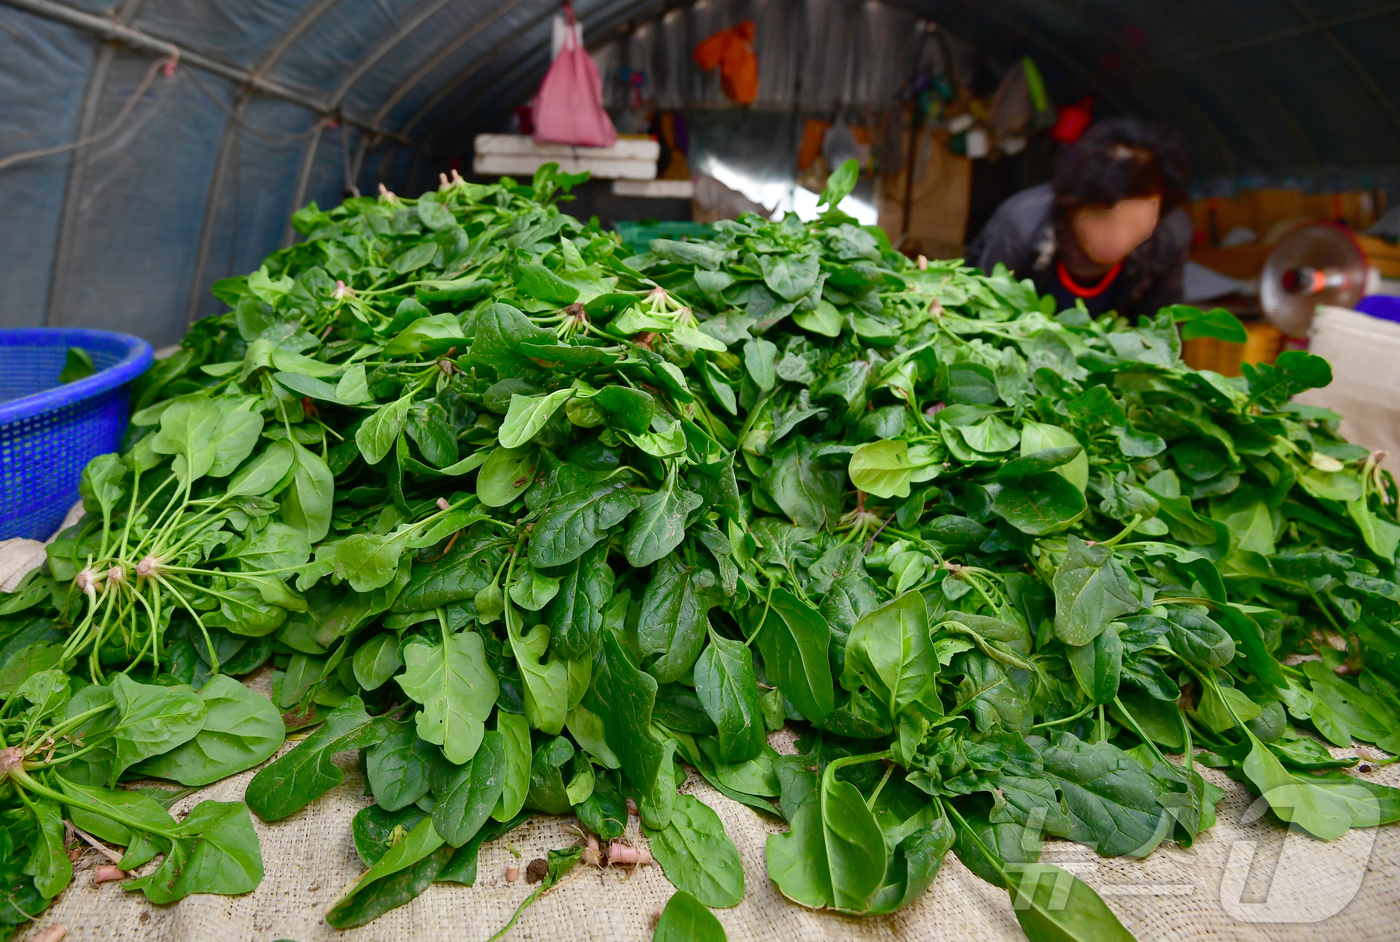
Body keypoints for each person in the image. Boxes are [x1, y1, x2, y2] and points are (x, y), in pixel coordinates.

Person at [966, 118, 1191, 319]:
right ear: (1072, 205)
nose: (1117, 238)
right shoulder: (1022, 225)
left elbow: (1163, 329)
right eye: (1101, 219)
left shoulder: (1169, 236)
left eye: (1136, 223)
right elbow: (981, 313)